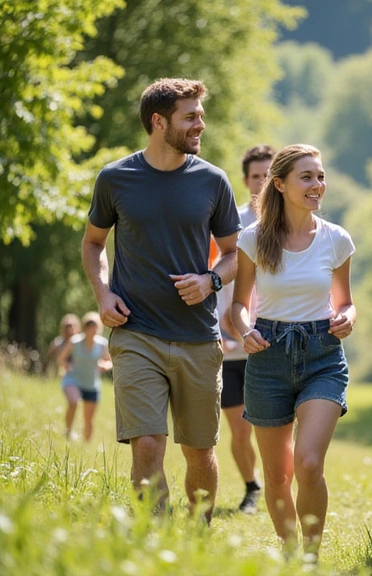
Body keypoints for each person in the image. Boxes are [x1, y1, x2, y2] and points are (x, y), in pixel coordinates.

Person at [81, 78, 241, 523]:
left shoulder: (213, 180)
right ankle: (155, 543)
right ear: (158, 121)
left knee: (198, 451)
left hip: (197, 336)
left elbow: (234, 255)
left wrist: (210, 281)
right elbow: (93, 243)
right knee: (148, 444)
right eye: (190, 117)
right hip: (136, 333)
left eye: (200, 116)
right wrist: (103, 292)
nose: (200, 125)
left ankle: (198, 534)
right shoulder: (116, 178)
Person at [231, 144, 355, 559]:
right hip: (267, 356)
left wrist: (348, 317)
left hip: (322, 354)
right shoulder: (252, 239)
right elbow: (237, 306)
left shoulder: (337, 239)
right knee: (278, 474)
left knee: (308, 464)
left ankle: (311, 558)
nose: (317, 185)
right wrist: (244, 330)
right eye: (307, 177)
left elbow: (346, 301)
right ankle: (288, 555)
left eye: (320, 176)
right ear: (280, 184)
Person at [213, 144, 275, 514]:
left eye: (270, 175)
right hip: (231, 347)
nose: (263, 182)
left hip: (273, 343)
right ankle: (253, 487)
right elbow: (209, 278)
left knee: (275, 427)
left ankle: (279, 485)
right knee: (239, 430)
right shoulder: (227, 226)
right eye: (257, 176)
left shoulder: (289, 225)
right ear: (245, 180)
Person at [58, 312, 112, 441]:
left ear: (99, 328)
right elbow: (61, 359)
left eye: (94, 326)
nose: (91, 328)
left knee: (89, 420)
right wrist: (66, 366)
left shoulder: (102, 344)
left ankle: (86, 445)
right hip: (73, 379)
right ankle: (68, 432)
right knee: (73, 402)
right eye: (89, 325)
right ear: (84, 327)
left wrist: (105, 366)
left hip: (92, 383)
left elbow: (110, 361)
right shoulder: (75, 341)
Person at [240, 145, 276, 228]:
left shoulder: (291, 218)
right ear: (246, 181)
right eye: (255, 176)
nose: (262, 181)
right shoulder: (235, 221)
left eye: (267, 175)